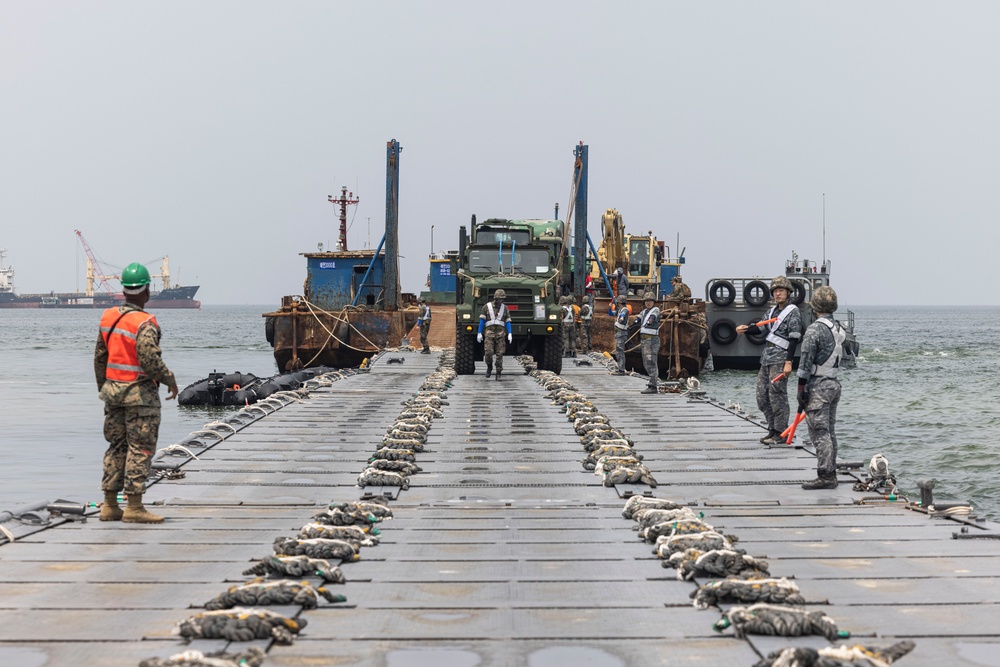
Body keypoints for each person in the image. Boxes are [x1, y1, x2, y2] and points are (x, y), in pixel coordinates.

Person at [94, 262, 178, 524]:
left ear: (124, 290)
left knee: (116, 447)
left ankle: (109, 505)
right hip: (140, 397)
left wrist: (105, 388)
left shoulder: (108, 317)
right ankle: (134, 506)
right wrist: (170, 379)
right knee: (140, 448)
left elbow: (99, 358)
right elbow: (149, 359)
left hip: (113, 393)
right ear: (146, 292)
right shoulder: (145, 322)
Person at [736, 276, 802, 445]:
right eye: (775, 291)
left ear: (788, 292)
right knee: (762, 396)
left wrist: (789, 362)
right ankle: (772, 429)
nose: (778, 294)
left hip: (781, 358)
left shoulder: (792, 311)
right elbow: (761, 329)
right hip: (767, 358)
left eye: (781, 290)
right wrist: (746, 330)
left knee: (777, 395)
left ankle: (781, 432)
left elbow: (794, 338)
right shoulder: (772, 312)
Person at [797, 286, 846, 490]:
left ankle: (826, 475)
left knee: (819, 431)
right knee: (829, 431)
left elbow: (806, 360)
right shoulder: (838, 328)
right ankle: (830, 470)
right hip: (833, 383)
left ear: (814, 307)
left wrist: (801, 388)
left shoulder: (815, 329)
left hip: (818, 384)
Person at [477, 288, 511, 380]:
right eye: (500, 298)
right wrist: (479, 332)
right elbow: (482, 320)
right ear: (496, 298)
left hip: (501, 334)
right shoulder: (487, 307)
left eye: (502, 299)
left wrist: (510, 333)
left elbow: (507, 321)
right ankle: (489, 366)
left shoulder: (505, 308)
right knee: (488, 352)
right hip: (489, 333)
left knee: (500, 354)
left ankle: (498, 371)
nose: (501, 300)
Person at [635, 291, 661, 394]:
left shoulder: (656, 310)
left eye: (650, 301)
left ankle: (653, 385)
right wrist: (636, 321)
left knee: (651, 362)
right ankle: (652, 382)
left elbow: (653, 317)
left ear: (653, 302)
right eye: (646, 301)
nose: (648, 303)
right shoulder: (644, 312)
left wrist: (650, 320)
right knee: (646, 362)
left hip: (652, 340)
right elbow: (639, 317)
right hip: (645, 340)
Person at [608, 294, 630, 374]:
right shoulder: (620, 310)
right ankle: (620, 367)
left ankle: (621, 369)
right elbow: (611, 313)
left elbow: (622, 315)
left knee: (620, 351)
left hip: (621, 332)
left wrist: (621, 318)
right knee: (618, 351)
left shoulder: (624, 310)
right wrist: (610, 307)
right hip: (618, 333)